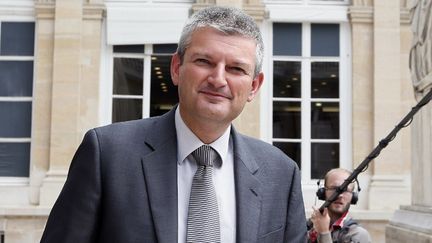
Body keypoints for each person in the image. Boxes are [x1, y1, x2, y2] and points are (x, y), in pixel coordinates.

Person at [40, 6, 307, 243]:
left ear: (254, 86)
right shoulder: (107, 155)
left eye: (236, 69)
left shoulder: (281, 175)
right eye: (204, 61)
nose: (218, 79)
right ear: (177, 67)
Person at [308, 168, 371, 243]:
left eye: (346, 190)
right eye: (334, 189)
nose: (340, 195)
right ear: (323, 193)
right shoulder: (307, 227)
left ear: (353, 197)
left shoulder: (358, 235)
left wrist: (324, 233)